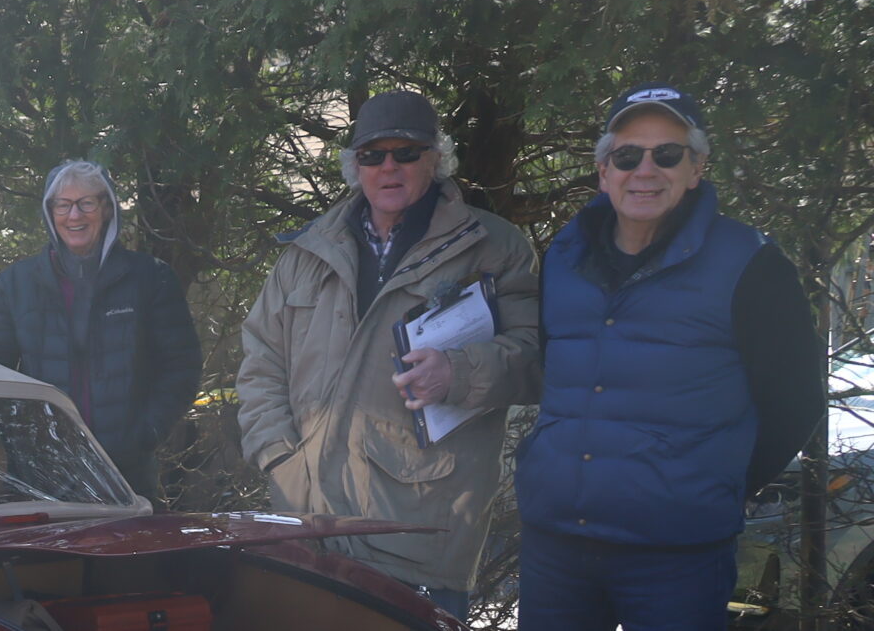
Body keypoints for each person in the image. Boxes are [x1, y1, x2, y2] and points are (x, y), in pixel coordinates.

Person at [516, 83, 820, 630]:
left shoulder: (752, 264)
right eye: (627, 156)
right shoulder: (564, 256)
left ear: (696, 168)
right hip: (556, 546)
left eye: (668, 154)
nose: (645, 170)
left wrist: (715, 484)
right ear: (603, 172)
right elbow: (555, 369)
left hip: (678, 557)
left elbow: (795, 403)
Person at [234, 90, 542, 620]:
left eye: (406, 152)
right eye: (372, 155)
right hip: (306, 526)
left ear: (436, 159)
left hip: (416, 532)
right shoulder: (307, 251)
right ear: (355, 166)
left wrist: (459, 372)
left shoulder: (494, 246)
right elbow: (261, 360)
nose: (388, 167)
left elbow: (536, 358)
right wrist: (279, 458)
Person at [0, 160, 201, 498]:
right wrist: (20, 440)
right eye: (63, 205)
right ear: (50, 213)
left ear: (107, 209)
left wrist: (146, 434)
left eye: (86, 203)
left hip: (128, 472)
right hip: (41, 474)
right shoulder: (15, 285)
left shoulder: (150, 279)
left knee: (132, 536)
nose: (74, 215)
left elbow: (182, 366)